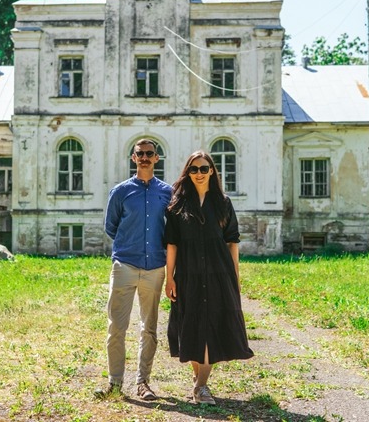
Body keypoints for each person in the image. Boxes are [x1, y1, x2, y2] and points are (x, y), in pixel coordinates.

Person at [164, 150, 253, 405]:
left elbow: (232, 242)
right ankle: (199, 382)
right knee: (191, 325)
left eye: (204, 169)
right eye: (194, 169)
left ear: (212, 171)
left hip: (218, 273)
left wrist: (235, 277)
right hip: (188, 274)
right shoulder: (178, 205)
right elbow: (172, 244)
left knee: (211, 325)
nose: (199, 174)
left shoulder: (223, 203)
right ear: (188, 173)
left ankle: (201, 386)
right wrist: (170, 278)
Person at [98, 139, 172, 401]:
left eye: (149, 153)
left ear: (157, 158)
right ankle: (115, 383)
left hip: (155, 268)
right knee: (116, 327)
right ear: (133, 158)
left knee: (149, 328)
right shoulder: (120, 192)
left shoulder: (167, 193)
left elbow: (172, 229)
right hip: (125, 265)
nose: (144, 157)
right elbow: (111, 226)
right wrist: (129, 245)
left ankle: (143, 383)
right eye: (140, 153)